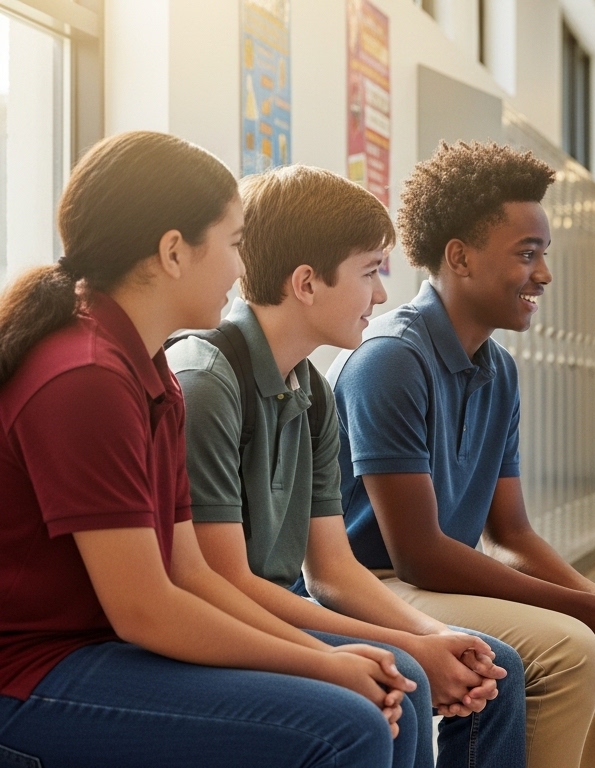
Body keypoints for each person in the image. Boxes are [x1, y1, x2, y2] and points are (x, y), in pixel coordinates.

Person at [0, 131, 414, 766]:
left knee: (389, 694)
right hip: (32, 676)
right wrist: (324, 665)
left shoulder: (149, 371)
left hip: (101, 648)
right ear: (173, 252)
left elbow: (189, 574)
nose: (243, 268)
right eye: (236, 245)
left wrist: (326, 657)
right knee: (347, 726)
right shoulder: (85, 376)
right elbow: (147, 610)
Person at [330, 140, 595, 768]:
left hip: (434, 579)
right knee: (573, 646)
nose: (543, 275)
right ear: (459, 257)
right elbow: (419, 553)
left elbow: (513, 532)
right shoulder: (390, 359)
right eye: (527, 255)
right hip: (375, 585)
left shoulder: (497, 370)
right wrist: (591, 613)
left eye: (544, 255)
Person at [167, 164, 527, 768]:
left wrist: (432, 634)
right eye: (369, 273)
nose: (381, 296)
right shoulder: (206, 382)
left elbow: (332, 568)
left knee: (494, 665)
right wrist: (406, 646)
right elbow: (226, 582)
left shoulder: (311, 390)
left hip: (275, 608)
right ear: (307, 283)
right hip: (223, 621)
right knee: (404, 677)